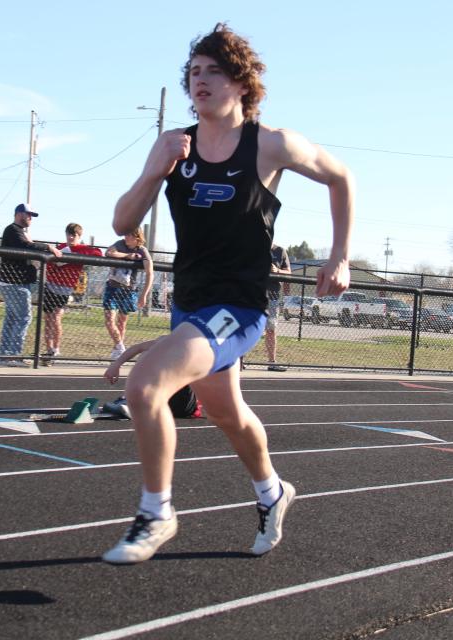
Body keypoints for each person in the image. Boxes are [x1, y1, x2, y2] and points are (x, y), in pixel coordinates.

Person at [102, 23, 354, 565]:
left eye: (214, 71)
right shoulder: (174, 146)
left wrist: (339, 257)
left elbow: (341, 178)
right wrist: (154, 170)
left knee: (146, 388)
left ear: (241, 84)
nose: (201, 81)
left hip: (238, 306)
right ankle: (272, 491)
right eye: (194, 72)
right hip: (191, 301)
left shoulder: (270, 144)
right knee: (224, 411)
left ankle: (157, 511)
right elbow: (124, 223)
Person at [0, 203, 62, 367]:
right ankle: (13, 355)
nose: (30, 218)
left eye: (32, 215)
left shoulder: (20, 232)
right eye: (28, 215)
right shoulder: (12, 230)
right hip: (14, 283)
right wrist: (47, 246)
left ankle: (6, 355)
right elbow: (25, 246)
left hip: (16, 282)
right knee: (24, 317)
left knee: (12, 318)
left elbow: (27, 247)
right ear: (19, 214)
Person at [41, 223, 102, 365]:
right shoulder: (61, 247)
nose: (70, 237)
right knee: (48, 319)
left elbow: (98, 253)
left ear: (79, 236)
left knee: (56, 318)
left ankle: (56, 349)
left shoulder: (82, 249)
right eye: (68, 234)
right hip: (50, 286)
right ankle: (49, 349)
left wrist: (74, 254)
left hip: (65, 288)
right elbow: (49, 262)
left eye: (73, 235)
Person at [103, 227, 154, 360]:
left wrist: (144, 295)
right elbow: (108, 252)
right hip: (112, 287)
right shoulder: (120, 244)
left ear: (137, 237)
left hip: (128, 289)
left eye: (129, 235)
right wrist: (127, 256)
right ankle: (120, 346)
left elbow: (150, 272)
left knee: (122, 322)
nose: (125, 237)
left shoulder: (142, 250)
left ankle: (117, 350)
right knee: (109, 320)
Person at [265, 243, 291, 371]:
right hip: (254, 294)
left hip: (273, 296)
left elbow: (289, 272)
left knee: (271, 329)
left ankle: (272, 362)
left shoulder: (280, 251)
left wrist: (277, 271)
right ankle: (241, 361)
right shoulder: (253, 246)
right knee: (248, 328)